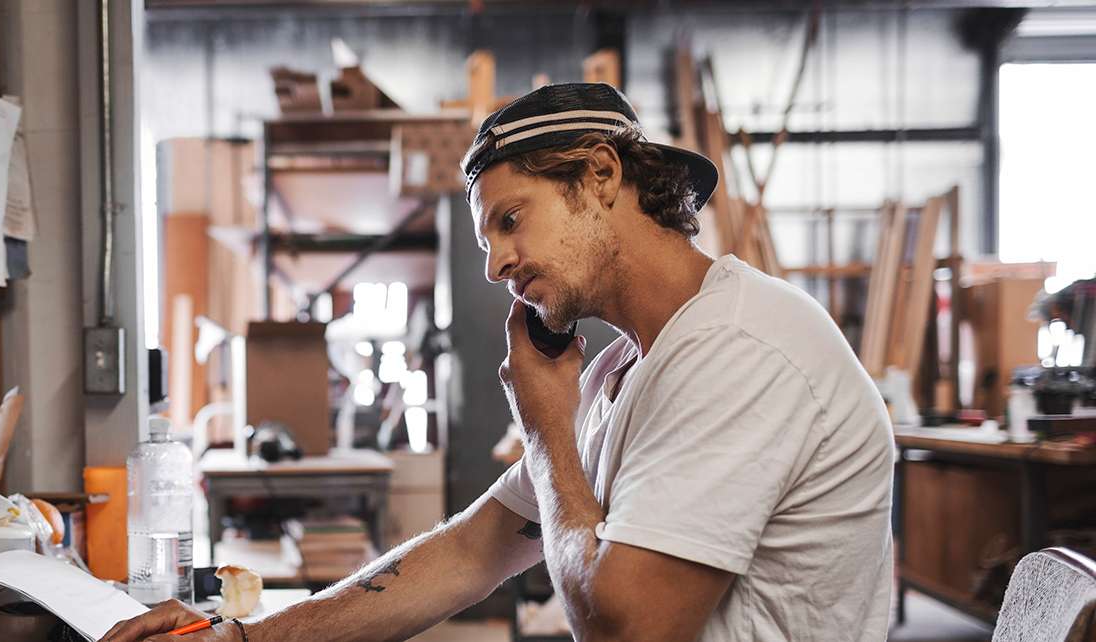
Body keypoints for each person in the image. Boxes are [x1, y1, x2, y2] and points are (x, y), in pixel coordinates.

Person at [101, 83, 895, 642]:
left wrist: (547, 428)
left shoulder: (739, 349)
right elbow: (470, 551)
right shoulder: (624, 370)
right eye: (486, 240)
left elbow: (629, 631)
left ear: (600, 176)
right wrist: (244, 637)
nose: (495, 266)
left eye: (511, 220)